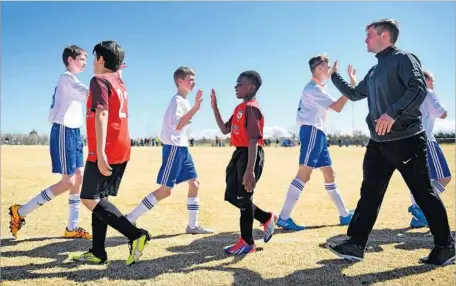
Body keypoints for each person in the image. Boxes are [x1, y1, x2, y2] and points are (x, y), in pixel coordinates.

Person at [327, 18, 454, 266]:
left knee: (423, 194)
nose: (365, 39)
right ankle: (355, 244)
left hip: (407, 140)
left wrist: (392, 113)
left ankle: (446, 247)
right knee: (370, 193)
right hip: (378, 144)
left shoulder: (404, 59)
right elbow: (354, 95)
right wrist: (334, 77)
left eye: (370, 35)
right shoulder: (374, 71)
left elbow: (418, 89)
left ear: (385, 36)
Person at [71, 41, 150, 265]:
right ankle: (98, 251)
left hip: (107, 148)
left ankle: (136, 235)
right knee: (100, 198)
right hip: (123, 146)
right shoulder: (120, 83)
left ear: (101, 60)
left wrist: (101, 151)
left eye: (95, 58)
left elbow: (102, 114)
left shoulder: (99, 80)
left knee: (88, 198)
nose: (93, 63)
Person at [9, 45, 91, 239]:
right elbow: (89, 94)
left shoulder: (72, 79)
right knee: (68, 181)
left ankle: (72, 227)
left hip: (74, 131)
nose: (84, 63)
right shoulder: (66, 78)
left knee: (78, 177)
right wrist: (109, 78)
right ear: (70, 59)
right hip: (63, 130)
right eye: (81, 59)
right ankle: (20, 212)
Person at [125, 66, 214, 234]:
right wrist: (195, 108)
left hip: (183, 149)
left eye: (194, 79)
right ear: (179, 81)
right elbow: (178, 126)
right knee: (165, 191)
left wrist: (193, 107)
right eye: (190, 79)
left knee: (194, 184)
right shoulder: (176, 101)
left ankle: (193, 226)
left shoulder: (184, 101)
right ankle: (130, 218)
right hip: (173, 148)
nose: (193, 82)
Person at [276, 54, 354, 231]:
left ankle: (344, 215)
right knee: (304, 173)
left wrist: (335, 77)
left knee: (329, 174)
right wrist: (351, 86)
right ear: (319, 68)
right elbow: (338, 107)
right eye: (327, 67)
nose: (330, 70)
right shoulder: (313, 89)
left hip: (318, 133)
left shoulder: (319, 87)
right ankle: (284, 217)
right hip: (311, 131)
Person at [211, 70, 277, 254]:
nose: (235, 87)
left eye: (239, 84)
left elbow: (254, 139)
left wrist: (250, 171)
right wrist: (215, 107)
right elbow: (225, 129)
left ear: (251, 87)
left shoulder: (252, 108)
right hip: (239, 154)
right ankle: (266, 217)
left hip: (250, 154)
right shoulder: (239, 108)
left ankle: (247, 242)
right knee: (233, 195)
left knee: (244, 197)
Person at [408, 70, 452, 228]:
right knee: (444, 177)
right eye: (432, 80)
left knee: (418, 180)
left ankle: (417, 218)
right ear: (426, 79)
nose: (433, 83)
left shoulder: (411, 94)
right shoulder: (428, 92)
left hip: (412, 141)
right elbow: (443, 114)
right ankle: (421, 206)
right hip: (427, 141)